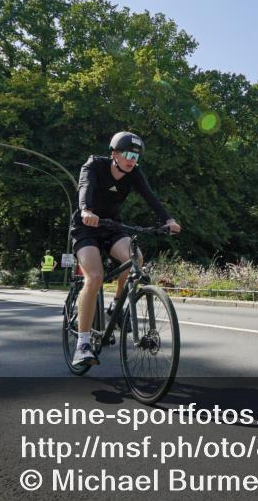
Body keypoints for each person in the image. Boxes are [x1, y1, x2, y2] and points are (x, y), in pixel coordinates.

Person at [70, 131, 180, 368]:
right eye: (128, 154)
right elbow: (85, 187)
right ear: (114, 154)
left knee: (135, 258)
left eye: (136, 157)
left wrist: (168, 219)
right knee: (96, 277)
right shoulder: (94, 165)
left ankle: (115, 307)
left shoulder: (134, 174)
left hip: (112, 226)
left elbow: (151, 197)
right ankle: (83, 343)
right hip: (86, 227)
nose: (132, 160)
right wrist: (86, 210)